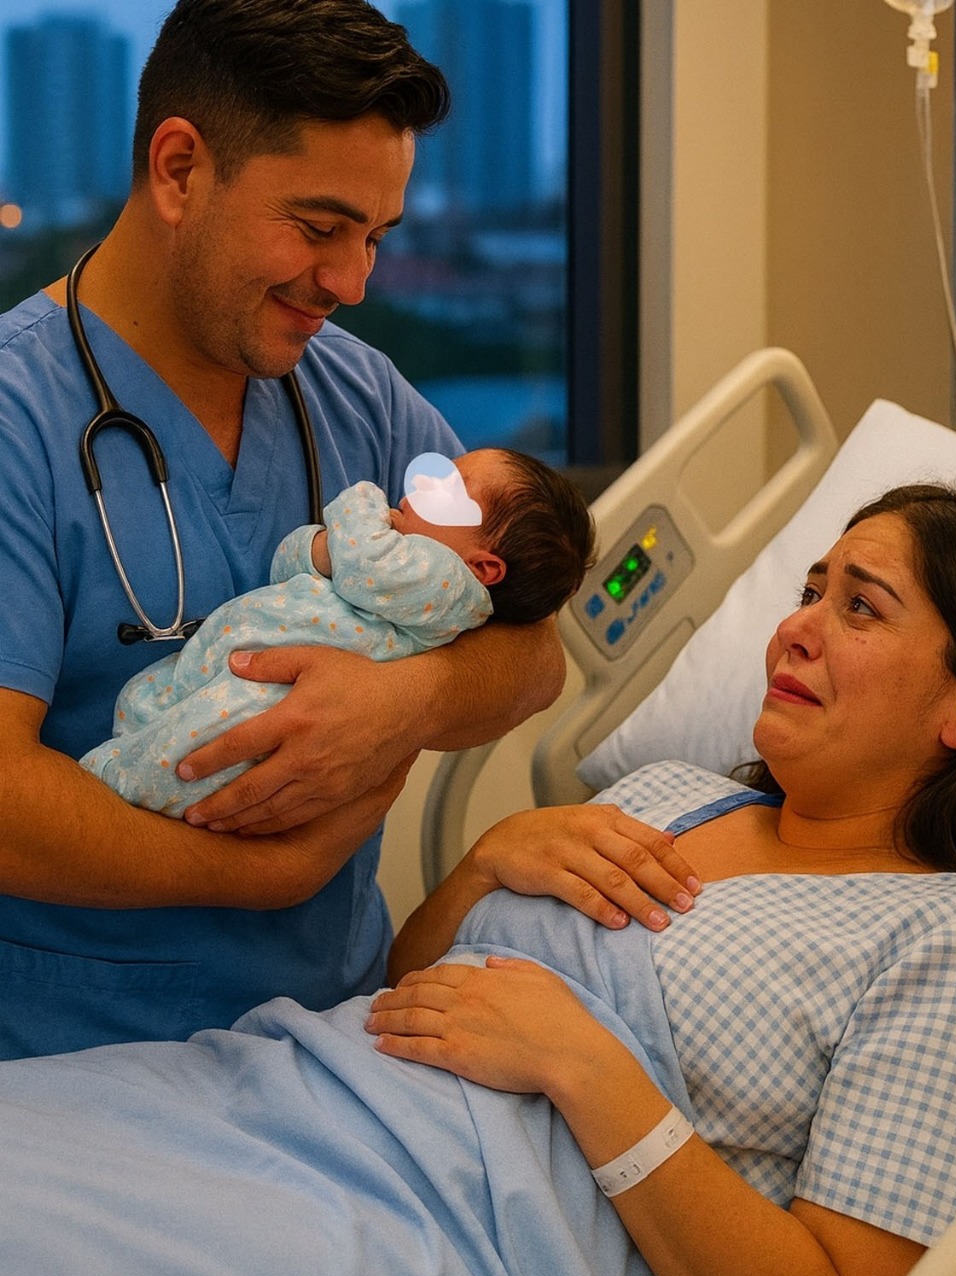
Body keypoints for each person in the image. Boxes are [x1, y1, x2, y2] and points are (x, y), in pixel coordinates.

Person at [0, 0, 566, 1060]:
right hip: (74, 1057)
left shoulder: (359, 396)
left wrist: (402, 701)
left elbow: (534, 652)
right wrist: (260, 873)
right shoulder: (16, 420)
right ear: (179, 170)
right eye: (317, 228)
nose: (352, 284)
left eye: (376, 238)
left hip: (342, 1036)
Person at [369, 485, 956, 1276]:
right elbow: (406, 990)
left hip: (427, 1226)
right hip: (319, 1106)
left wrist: (584, 1065)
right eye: (810, 594)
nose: (794, 632)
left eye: (861, 608)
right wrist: (486, 861)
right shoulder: (665, 793)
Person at [81, 447, 595, 817]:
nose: (425, 484)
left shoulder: (446, 582)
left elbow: (364, 559)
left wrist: (364, 502)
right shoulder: (395, 558)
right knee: (149, 703)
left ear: (484, 569)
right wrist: (322, 550)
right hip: (229, 659)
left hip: (272, 697)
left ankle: (118, 782)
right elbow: (293, 563)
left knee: (196, 747)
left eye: (452, 491)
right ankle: (127, 755)